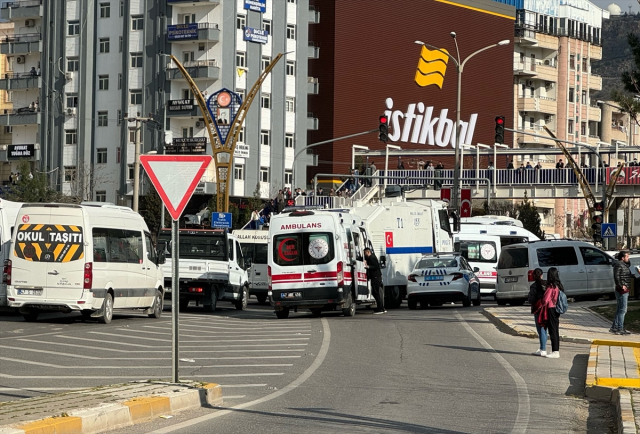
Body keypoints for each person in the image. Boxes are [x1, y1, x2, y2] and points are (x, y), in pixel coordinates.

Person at [538, 267, 563, 358]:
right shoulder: (558, 286)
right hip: (556, 309)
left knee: (552, 331)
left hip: (551, 309)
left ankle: (555, 351)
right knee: (555, 330)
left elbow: (545, 300)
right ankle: (556, 350)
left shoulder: (551, 287)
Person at [611, 251, 634, 335]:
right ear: (622, 258)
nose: (629, 258)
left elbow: (629, 264)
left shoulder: (624, 264)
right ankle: (620, 328)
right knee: (623, 310)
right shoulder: (619, 265)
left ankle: (614, 327)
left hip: (624, 288)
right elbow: (616, 276)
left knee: (619, 309)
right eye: (627, 256)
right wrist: (621, 286)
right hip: (622, 289)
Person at [528, 268, 547, 357]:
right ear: (542, 275)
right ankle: (542, 347)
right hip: (546, 308)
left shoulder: (533, 286)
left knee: (540, 329)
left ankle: (543, 349)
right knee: (544, 328)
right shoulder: (546, 284)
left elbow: (531, 299)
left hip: (537, 309)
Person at [364, 247, 385, 314]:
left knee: (376, 293)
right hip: (376, 277)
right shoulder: (371, 257)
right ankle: (381, 308)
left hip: (375, 277)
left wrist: (368, 266)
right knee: (376, 293)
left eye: (365, 253)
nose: (365, 255)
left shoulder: (372, 258)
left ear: (368, 252)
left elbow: (375, 266)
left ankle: (380, 308)